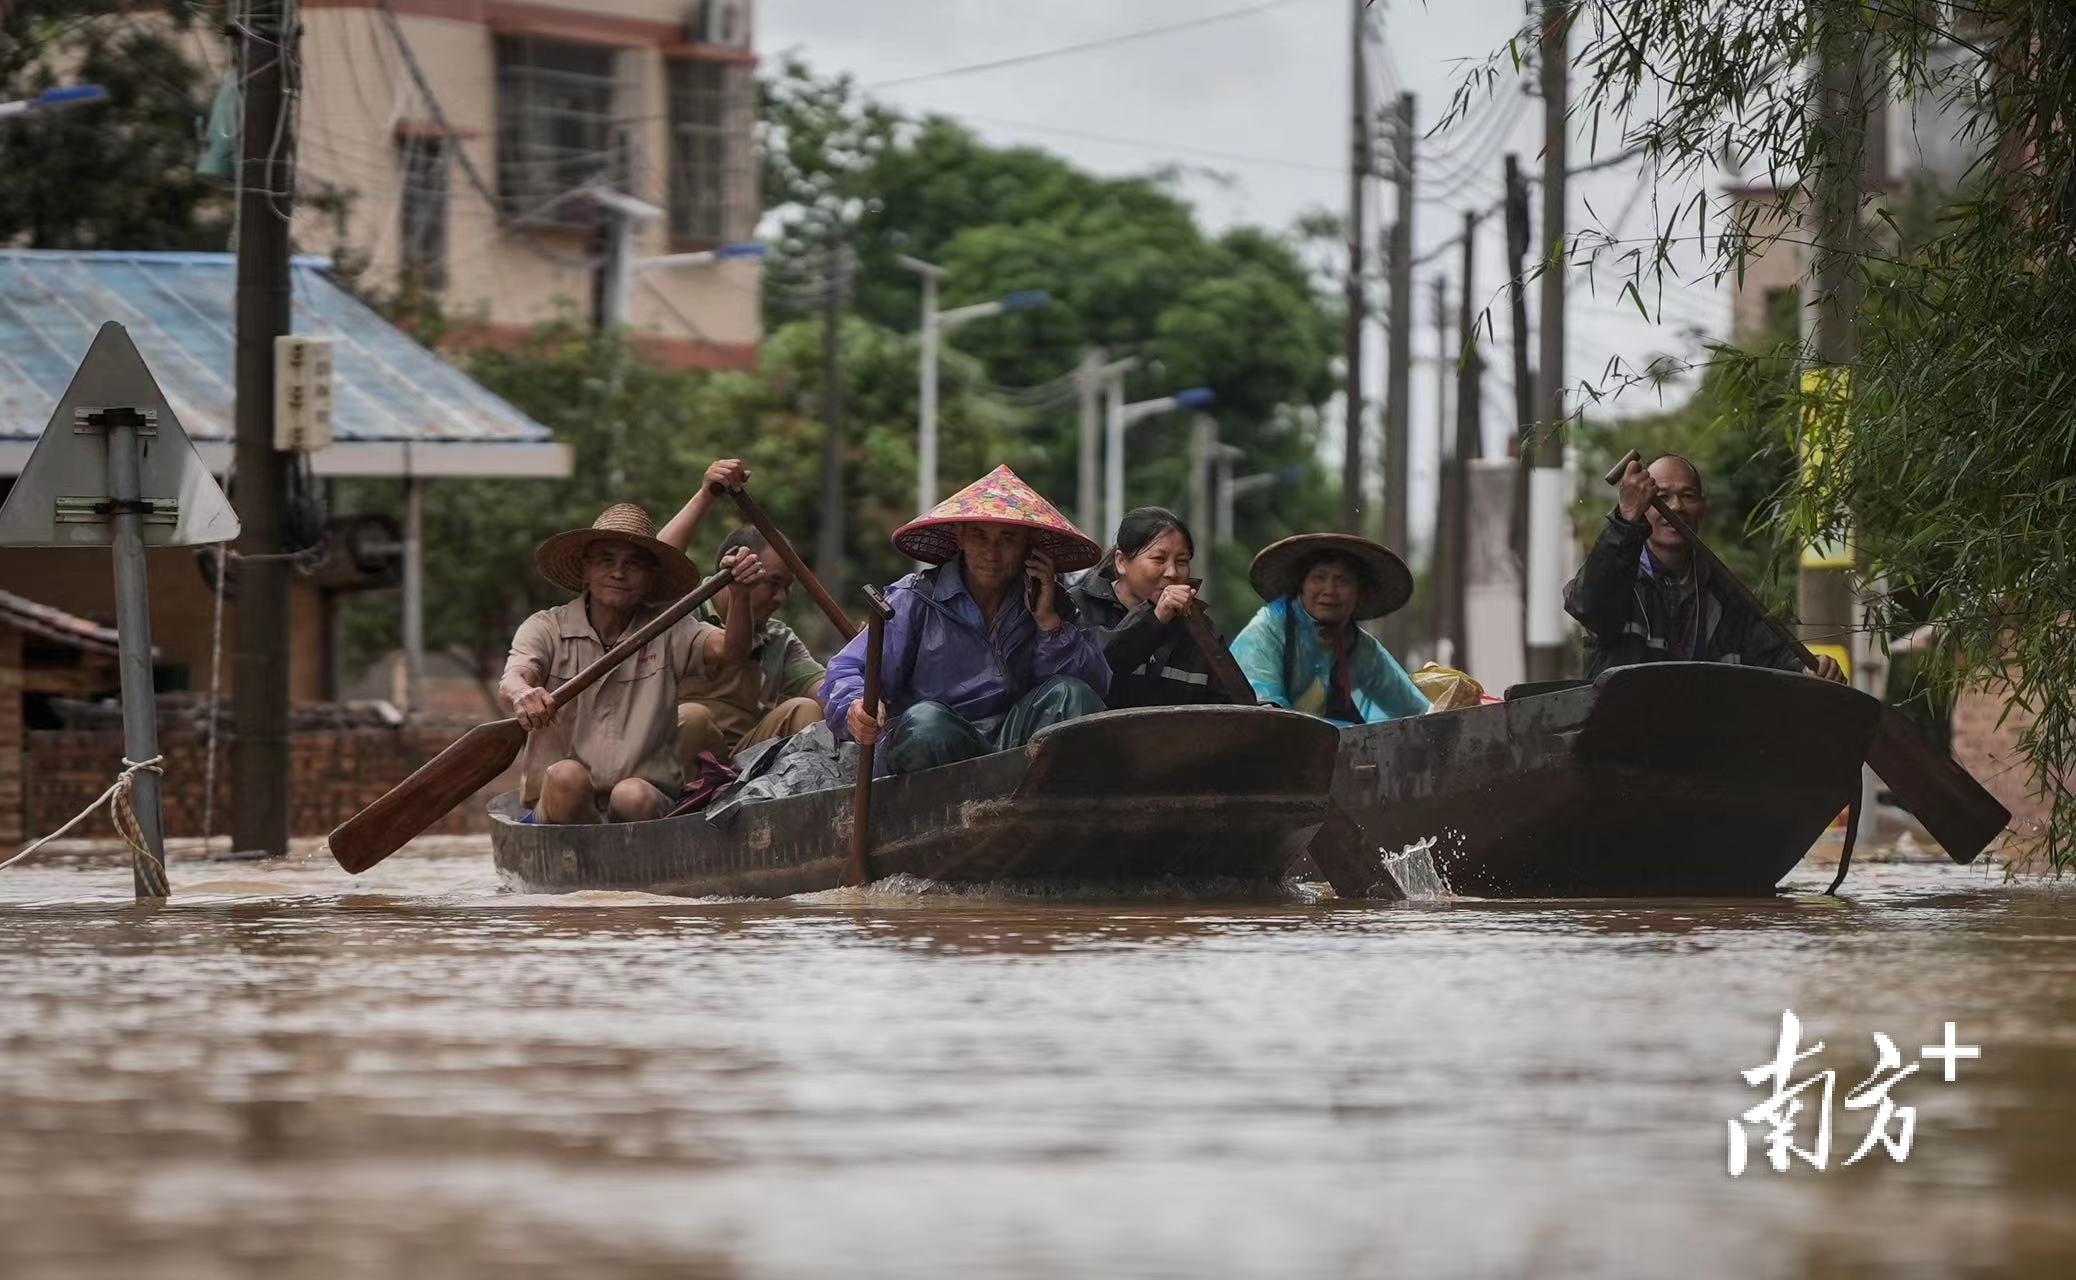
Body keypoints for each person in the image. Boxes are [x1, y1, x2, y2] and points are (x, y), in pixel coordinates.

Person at [821, 465, 1110, 774]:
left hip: (1017, 749)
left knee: (1070, 694)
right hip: (938, 745)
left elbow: (1095, 689)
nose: (992, 552)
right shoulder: (915, 599)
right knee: (926, 724)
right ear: (960, 537)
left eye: (1008, 539)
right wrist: (855, 705)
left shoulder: (1051, 599)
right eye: (979, 536)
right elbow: (847, 669)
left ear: (1028, 544)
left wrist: (1050, 625)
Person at [499, 504, 764, 824]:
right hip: (561, 807)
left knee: (632, 795)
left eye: (633, 564)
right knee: (566, 778)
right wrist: (522, 694)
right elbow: (516, 676)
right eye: (606, 560)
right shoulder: (546, 627)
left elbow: (731, 651)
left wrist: (739, 596)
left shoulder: (668, 627)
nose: (619, 573)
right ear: (586, 571)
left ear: (650, 578)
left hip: (643, 805)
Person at [1566, 454, 1847, 681]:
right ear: (1642, 506)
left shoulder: (1728, 593)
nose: (1676, 506)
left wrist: (1807, 671)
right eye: (1661, 496)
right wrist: (1625, 520)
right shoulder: (1618, 580)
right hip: (1619, 733)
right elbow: (1588, 605)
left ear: (1703, 507)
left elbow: (1774, 660)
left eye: (1688, 496)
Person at [656, 459, 826, 769]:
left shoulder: (778, 639)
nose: (780, 598)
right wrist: (705, 495)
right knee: (694, 717)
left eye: (787, 588)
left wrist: (860, 678)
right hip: (672, 761)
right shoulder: (679, 610)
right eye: (772, 583)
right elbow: (656, 565)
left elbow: (826, 690)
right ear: (735, 566)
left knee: (805, 709)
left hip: (743, 766)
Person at [1229, 533, 1428, 725]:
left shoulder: (1361, 648)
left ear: (1359, 592)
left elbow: (1418, 711)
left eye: (1343, 581)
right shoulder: (1267, 629)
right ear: (1302, 585)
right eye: (1319, 578)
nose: (1330, 590)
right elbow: (1264, 715)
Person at [1068, 506, 1230, 708]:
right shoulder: (1078, 607)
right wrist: (1154, 619)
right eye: (1159, 559)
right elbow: (1088, 672)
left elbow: (1236, 705)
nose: (1172, 572)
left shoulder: (1200, 627)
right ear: (1121, 561)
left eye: (1181, 561)